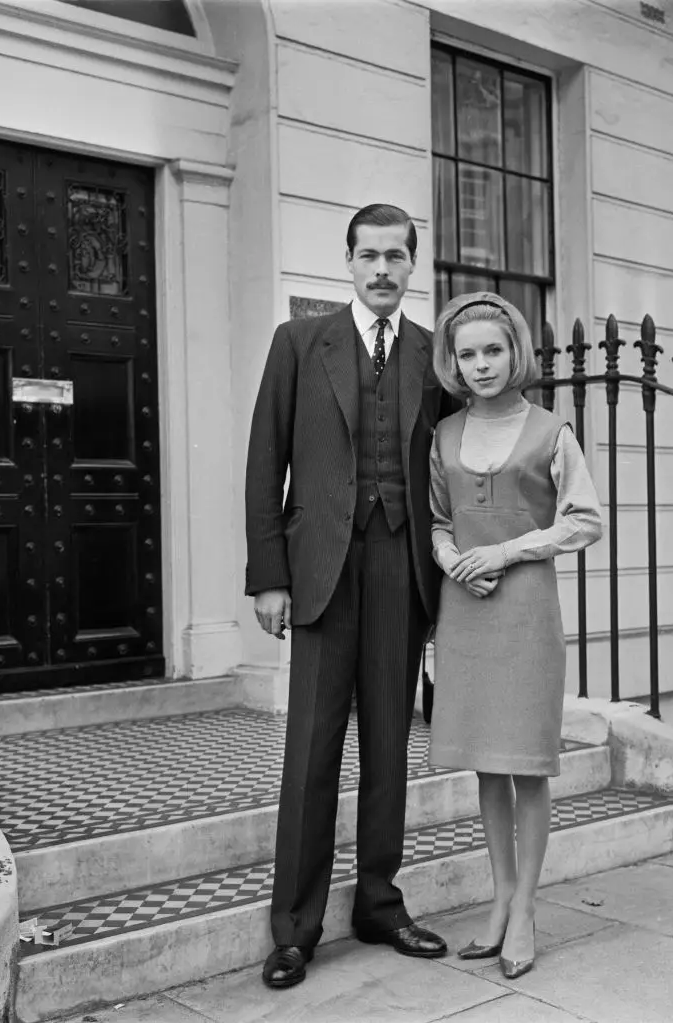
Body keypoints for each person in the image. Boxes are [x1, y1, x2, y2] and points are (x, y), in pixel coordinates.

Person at [245, 203, 458, 990]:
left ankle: (379, 900)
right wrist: (267, 573)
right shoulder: (300, 343)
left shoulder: (435, 357)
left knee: (390, 751)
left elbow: (458, 466)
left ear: (411, 267)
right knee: (310, 753)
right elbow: (266, 460)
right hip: (320, 569)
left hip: (402, 565)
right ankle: (294, 926)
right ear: (347, 260)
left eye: (395, 257)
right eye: (368, 255)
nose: (381, 269)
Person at [427, 292, 604, 980]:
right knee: (486, 762)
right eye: (467, 354)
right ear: (454, 361)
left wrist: (505, 553)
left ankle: (526, 907)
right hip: (464, 608)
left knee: (526, 761)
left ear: (515, 351)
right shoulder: (443, 435)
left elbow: (585, 519)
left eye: (492, 350)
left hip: (526, 606)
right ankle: (499, 897)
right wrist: (451, 560)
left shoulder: (550, 430)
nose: (481, 365)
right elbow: (439, 521)